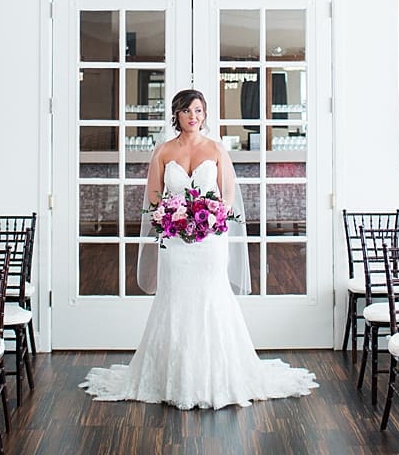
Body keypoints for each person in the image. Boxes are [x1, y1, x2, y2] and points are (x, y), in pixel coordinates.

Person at [81, 88, 318, 410]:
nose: (194, 116)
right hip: (176, 242)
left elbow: (228, 192)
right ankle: (171, 377)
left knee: (212, 298)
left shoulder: (216, 149)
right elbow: (153, 194)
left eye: (199, 111)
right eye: (188, 111)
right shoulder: (164, 151)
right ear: (177, 114)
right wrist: (166, 218)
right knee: (175, 300)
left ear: (204, 115)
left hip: (209, 241)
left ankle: (218, 376)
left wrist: (214, 217)